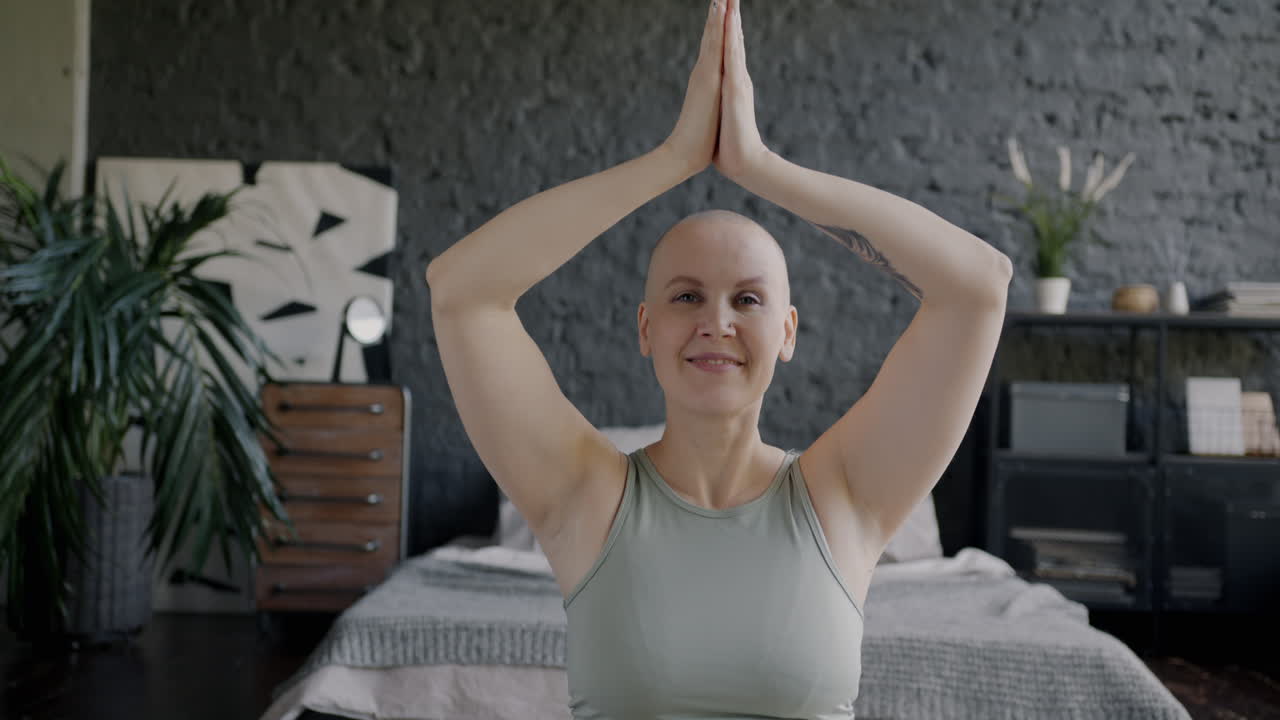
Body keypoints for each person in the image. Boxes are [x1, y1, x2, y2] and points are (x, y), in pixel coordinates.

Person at [426, 0, 1011, 716]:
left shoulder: (845, 495)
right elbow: (461, 291)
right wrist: (673, 159)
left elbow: (978, 288)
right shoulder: (585, 494)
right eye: (685, 297)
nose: (716, 322)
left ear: (789, 333)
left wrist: (759, 166)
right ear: (645, 328)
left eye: (749, 301)